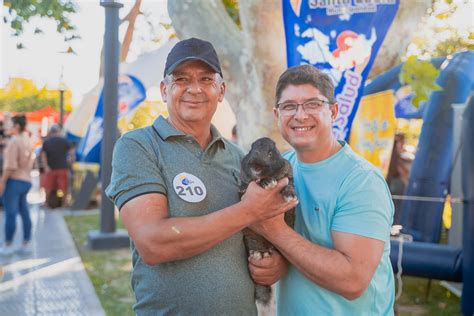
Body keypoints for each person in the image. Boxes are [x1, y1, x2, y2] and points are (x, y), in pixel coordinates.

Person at [105, 38, 296, 315]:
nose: (194, 88)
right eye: (181, 79)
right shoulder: (138, 146)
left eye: (206, 79)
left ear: (221, 91)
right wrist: (248, 210)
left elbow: (262, 232)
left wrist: (275, 263)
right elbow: (153, 243)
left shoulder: (239, 158)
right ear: (164, 90)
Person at [248, 65, 395, 315]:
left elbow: (352, 280)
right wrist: (270, 262)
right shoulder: (280, 168)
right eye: (289, 106)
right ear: (277, 114)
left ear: (333, 111)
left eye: (313, 104)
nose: (300, 115)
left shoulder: (361, 181)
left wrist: (273, 230)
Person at [0, 115, 35, 255]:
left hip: (14, 180)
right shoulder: (27, 140)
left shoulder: (14, 142)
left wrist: (2, 181)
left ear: (17, 126)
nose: (7, 127)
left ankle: (8, 244)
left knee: (11, 214)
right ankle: (26, 243)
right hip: (26, 180)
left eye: (10, 125)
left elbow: (10, 166)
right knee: (24, 212)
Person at [41, 124, 73, 208]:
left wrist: (46, 166)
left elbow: (43, 155)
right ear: (59, 131)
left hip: (50, 168)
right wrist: (71, 162)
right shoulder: (64, 141)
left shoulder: (46, 142)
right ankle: (64, 204)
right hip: (63, 167)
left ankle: (46, 203)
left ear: (51, 132)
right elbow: (71, 153)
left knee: (48, 186)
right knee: (64, 187)